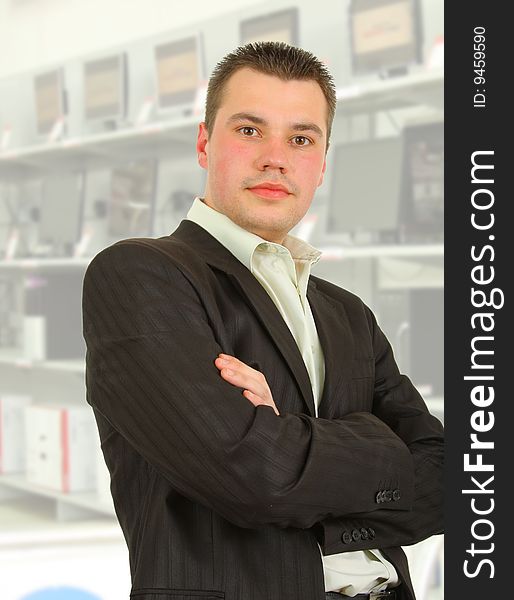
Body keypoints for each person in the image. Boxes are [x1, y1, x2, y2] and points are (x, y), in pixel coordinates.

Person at [82, 42, 443, 600]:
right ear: (205, 144)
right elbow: (253, 476)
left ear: (321, 163)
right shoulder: (141, 275)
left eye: (301, 138)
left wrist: (287, 436)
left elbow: (448, 480)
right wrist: (378, 445)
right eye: (250, 130)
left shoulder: (346, 312)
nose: (276, 157)